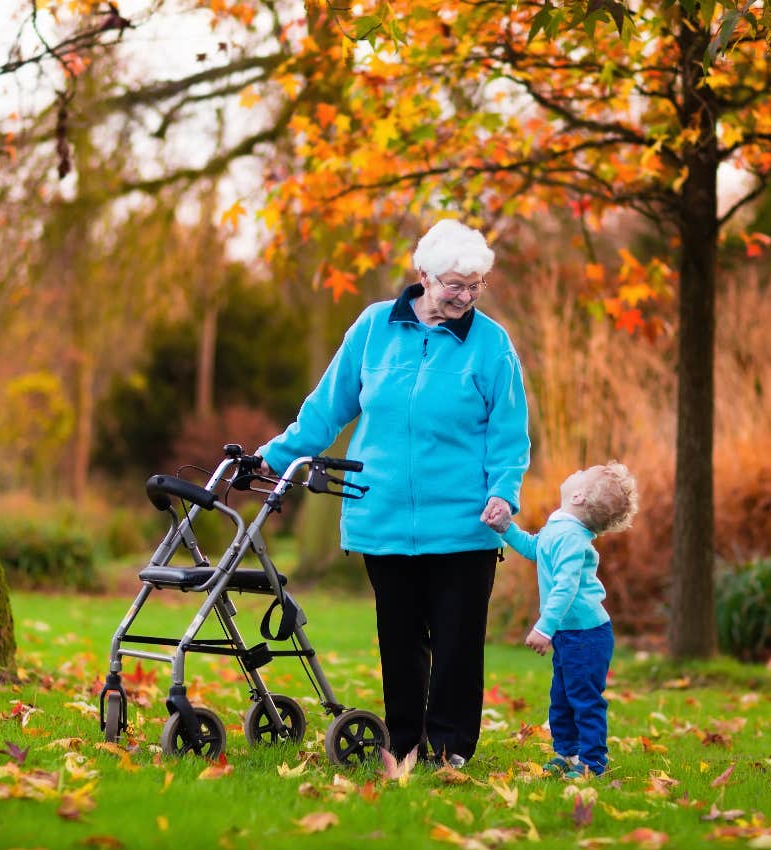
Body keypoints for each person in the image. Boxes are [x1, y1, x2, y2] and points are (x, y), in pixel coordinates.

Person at [256, 218, 530, 767]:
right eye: (454, 284)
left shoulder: (491, 344)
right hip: (379, 515)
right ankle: (403, 744)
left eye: (475, 285)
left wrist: (504, 490)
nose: (463, 296)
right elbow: (328, 405)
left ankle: (449, 749)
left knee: (456, 644)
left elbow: (508, 430)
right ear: (422, 274)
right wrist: (276, 456)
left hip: (462, 523)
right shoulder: (375, 326)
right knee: (399, 642)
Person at [483, 461, 638, 779]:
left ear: (579, 496)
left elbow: (565, 587)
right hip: (573, 634)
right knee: (563, 697)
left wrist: (544, 626)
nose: (575, 471)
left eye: (582, 473)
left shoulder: (572, 537)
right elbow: (534, 548)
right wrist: (506, 528)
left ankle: (592, 762)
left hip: (586, 634)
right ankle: (567, 753)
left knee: (584, 699)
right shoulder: (561, 527)